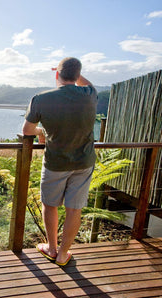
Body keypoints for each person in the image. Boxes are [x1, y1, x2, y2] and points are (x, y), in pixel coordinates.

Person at [22, 57, 97, 266]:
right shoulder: (89, 95)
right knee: (74, 209)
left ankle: (52, 249)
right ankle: (64, 255)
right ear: (77, 75)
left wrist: (41, 131)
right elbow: (88, 84)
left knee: (50, 204)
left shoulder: (41, 99)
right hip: (84, 163)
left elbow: (27, 131)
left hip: (55, 163)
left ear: (57, 74)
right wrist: (76, 74)